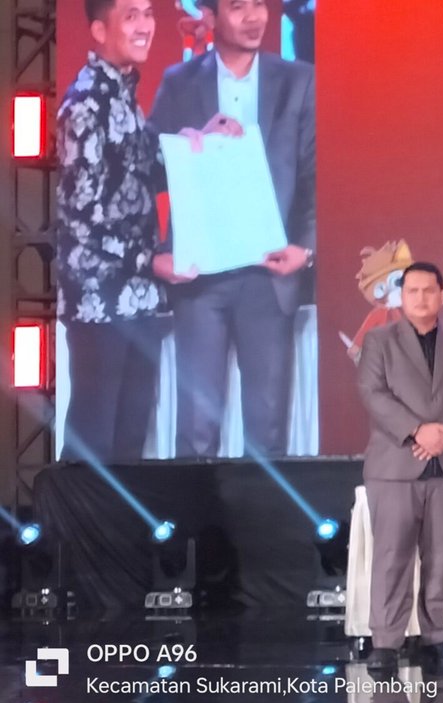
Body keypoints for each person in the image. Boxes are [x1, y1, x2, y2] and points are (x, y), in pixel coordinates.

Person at [54, 0, 229, 462]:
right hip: (99, 303)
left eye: (148, 13)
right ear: (98, 30)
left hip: (139, 299)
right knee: (94, 445)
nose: (145, 25)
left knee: (129, 442)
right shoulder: (84, 104)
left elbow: (145, 170)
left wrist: (198, 143)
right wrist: (150, 261)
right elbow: (81, 217)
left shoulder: (123, 95)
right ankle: (75, 517)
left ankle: (116, 516)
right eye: (130, 15)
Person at [148, 0, 316, 457]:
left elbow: (315, 175)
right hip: (201, 277)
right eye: (239, 6)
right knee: (196, 429)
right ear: (209, 17)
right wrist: (187, 143)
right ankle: (196, 509)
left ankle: (263, 509)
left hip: (269, 276)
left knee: (268, 429)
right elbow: (149, 171)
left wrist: (305, 249)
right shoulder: (180, 83)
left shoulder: (297, 80)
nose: (254, 16)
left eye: (260, 4)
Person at [355, 262, 443, 677]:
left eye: (428, 290)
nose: (420, 297)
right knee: (392, 556)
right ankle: (385, 642)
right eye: (411, 290)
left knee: (441, 557)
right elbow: (372, 392)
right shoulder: (379, 340)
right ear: (401, 295)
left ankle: (436, 638)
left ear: (442, 295)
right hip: (396, 464)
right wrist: (418, 430)